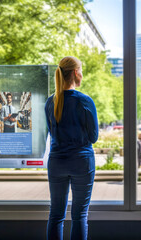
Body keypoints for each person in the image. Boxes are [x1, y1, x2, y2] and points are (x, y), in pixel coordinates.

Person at [45, 56, 98, 240]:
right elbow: (93, 137)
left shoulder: (50, 102)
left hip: (57, 162)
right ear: (76, 73)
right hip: (82, 162)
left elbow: (52, 133)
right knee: (79, 216)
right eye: (81, 70)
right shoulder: (84, 101)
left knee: (56, 215)